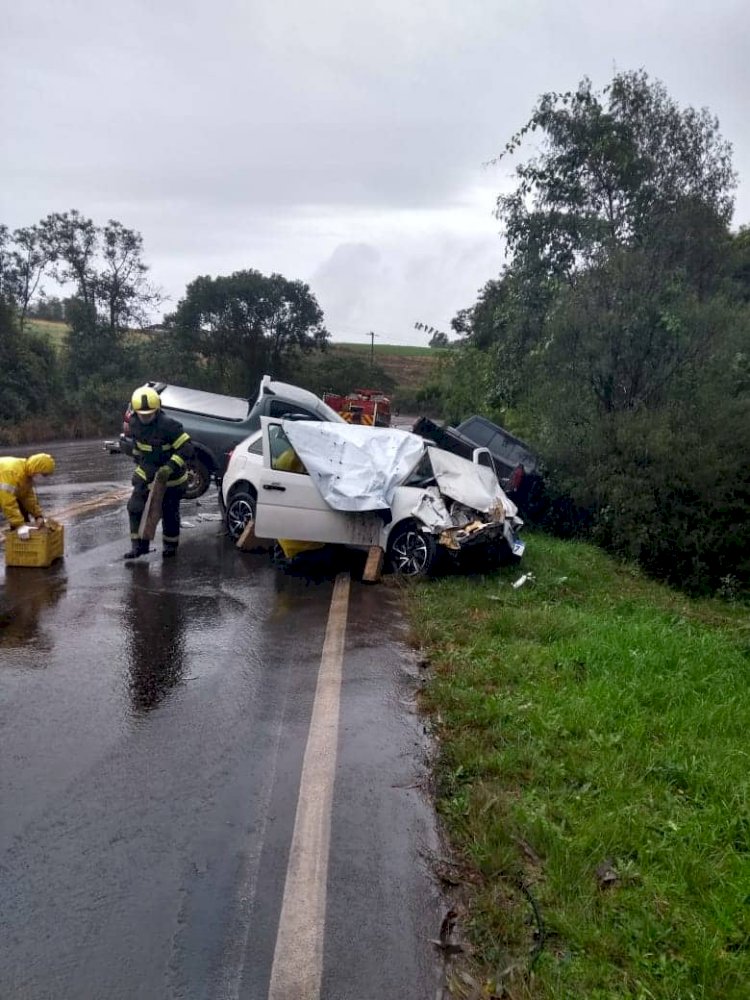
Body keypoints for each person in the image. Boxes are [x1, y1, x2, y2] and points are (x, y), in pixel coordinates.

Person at [124, 385, 192, 560]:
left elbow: (187, 449)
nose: (145, 417)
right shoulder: (134, 423)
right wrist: (140, 469)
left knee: (169, 513)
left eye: (149, 414)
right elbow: (138, 448)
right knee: (135, 507)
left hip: (172, 477)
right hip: (149, 470)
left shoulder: (169, 426)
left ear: (158, 409)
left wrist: (169, 467)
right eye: (142, 414)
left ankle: (170, 547)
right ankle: (138, 546)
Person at [0, 453, 56, 530]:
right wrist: (19, 525)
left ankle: (19, 536)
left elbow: (27, 497)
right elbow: (7, 502)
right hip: (4, 493)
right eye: (44, 475)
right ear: (36, 469)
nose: (45, 478)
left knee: (21, 508)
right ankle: (17, 532)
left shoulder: (26, 474)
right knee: (11, 507)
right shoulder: (12, 473)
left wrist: (38, 516)